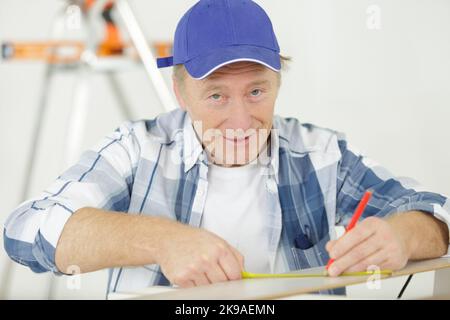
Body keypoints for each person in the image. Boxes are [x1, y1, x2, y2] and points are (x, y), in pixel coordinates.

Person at [4, 0, 449, 296]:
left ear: (278, 83)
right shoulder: (137, 150)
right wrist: (161, 241)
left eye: (257, 92)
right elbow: (24, 229)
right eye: (216, 95)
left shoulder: (320, 152)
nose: (240, 121)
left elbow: (436, 212)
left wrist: (403, 235)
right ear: (181, 94)